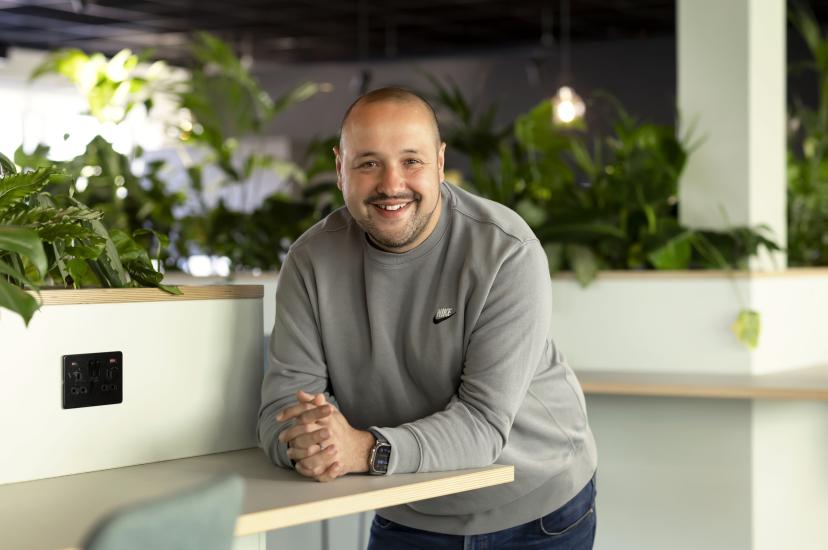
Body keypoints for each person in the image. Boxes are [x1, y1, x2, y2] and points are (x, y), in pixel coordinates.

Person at [257, 87, 598, 549]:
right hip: (409, 505)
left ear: (440, 162)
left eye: (411, 161)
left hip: (535, 509)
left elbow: (482, 425)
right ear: (341, 168)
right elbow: (282, 408)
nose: (391, 184)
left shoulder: (506, 250)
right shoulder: (310, 261)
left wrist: (364, 449)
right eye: (368, 162)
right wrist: (307, 443)